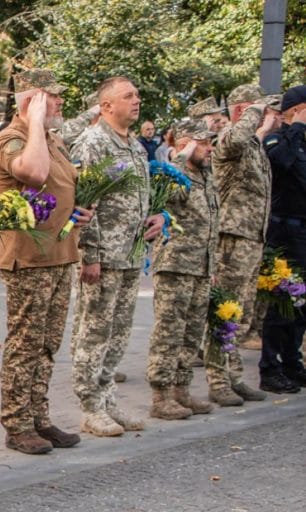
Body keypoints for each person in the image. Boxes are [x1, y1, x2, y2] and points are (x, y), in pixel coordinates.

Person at [0, 69, 93, 455]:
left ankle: (38, 416)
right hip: (29, 259)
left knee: (48, 342)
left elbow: (65, 184)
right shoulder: (13, 139)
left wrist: (79, 211)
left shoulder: (52, 139)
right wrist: (33, 118)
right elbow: (33, 174)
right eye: (51, 96)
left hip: (59, 253)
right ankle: (16, 424)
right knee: (25, 343)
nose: (60, 102)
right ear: (31, 100)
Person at [70, 76, 166, 437]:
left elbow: (140, 196)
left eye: (137, 95)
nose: (136, 100)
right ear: (107, 105)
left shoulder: (136, 145)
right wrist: (90, 255)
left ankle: (108, 397)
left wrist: (157, 217)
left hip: (130, 254)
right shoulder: (94, 142)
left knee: (119, 333)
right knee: (93, 332)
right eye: (128, 96)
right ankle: (90, 406)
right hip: (104, 255)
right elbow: (85, 203)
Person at [206, 84, 283, 401]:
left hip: (252, 237)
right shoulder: (228, 138)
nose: (268, 116)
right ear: (241, 111)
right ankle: (218, 380)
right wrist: (255, 110)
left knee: (241, 312)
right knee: (225, 310)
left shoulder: (253, 143)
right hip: (233, 238)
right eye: (260, 110)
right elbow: (236, 136)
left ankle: (233, 374)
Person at [146, 119, 220, 419]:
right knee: (169, 332)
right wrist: (179, 154)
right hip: (175, 264)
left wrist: (211, 264)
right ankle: (160, 395)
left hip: (200, 265)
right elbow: (159, 189)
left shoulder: (206, 175)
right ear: (184, 145)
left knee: (191, 333)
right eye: (201, 143)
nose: (208, 148)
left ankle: (181, 389)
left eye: (208, 143)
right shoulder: (176, 174)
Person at [260, 85, 306, 391]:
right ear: (294, 111)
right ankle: (270, 368)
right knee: (281, 301)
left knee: (301, 302)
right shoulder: (277, 137)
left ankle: (292, 362)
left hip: (304, 229)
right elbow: (283, 163)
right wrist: (296, 127)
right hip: (284, 230)